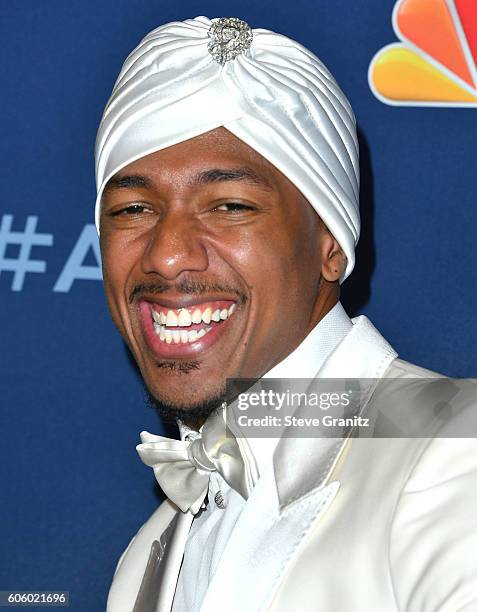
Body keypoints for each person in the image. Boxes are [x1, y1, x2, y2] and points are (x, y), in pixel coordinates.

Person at [94, 16, 477, 612]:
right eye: (133, 208)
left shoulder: (457, 447)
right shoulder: (148, 558)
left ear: (331, 244)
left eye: (229, 205)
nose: (167, 254)